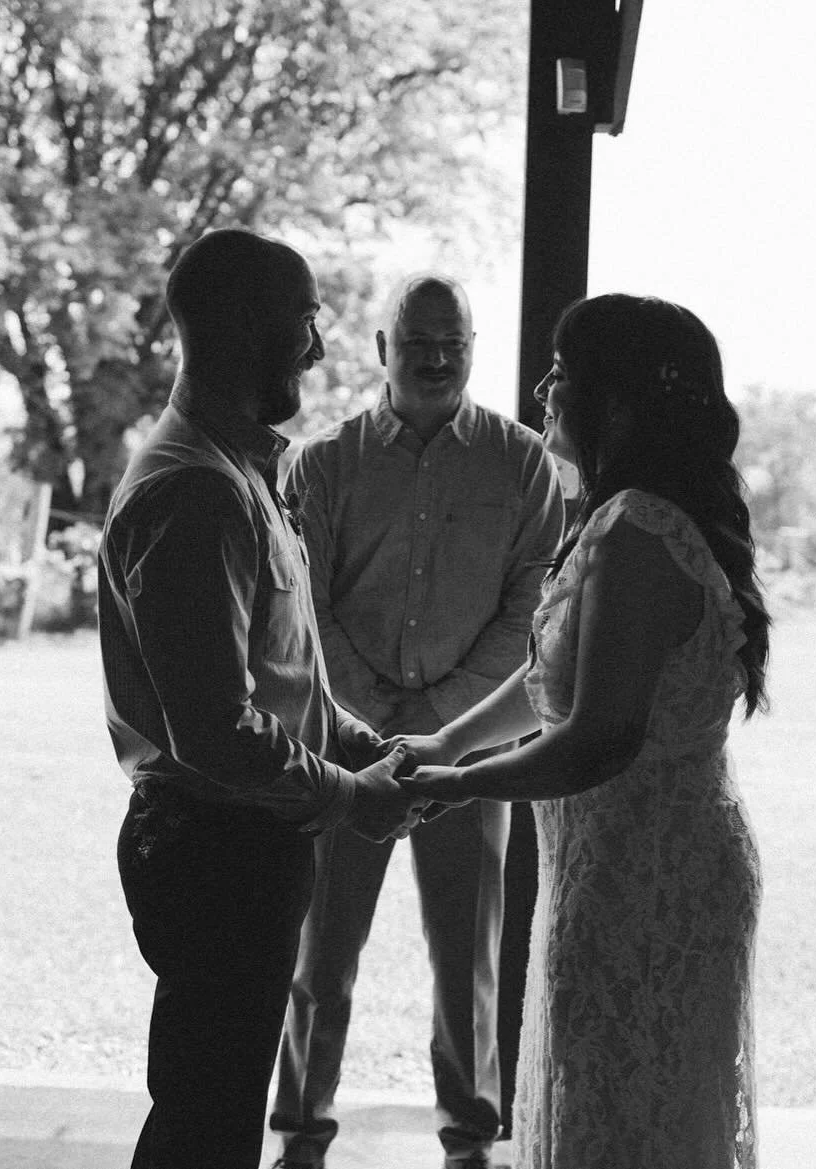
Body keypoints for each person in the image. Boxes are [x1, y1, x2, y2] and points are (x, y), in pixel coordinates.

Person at [394, 294, 772, 1169]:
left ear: (617, 404)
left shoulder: (637, 530)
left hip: (647, 878)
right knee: (614, 1107)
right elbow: (553, 688)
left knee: (624, 1117)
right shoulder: (629, 518)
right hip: (620, 864)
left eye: (561, 375)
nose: (541, 389)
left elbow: (598, 737)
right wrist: (450, 744)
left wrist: (457, 787)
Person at [98, 227, 423, 1169]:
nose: (320, 347)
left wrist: (365, 749)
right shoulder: (195, 491)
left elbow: (283, 683)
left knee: (220, 1112)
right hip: (213, 853)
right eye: (305, 321)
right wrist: (351, 795)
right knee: (205, 1127)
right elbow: (213, 728)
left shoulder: (245, 471)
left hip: (241, 845)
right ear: (246, 326)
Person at [270, 275, 565, 1169]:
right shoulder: (321, 464)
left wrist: (444, 725)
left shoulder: (523, 464)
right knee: (319, 958)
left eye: (455, 342)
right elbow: (303, 607)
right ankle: (301, 1135)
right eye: (419, 340)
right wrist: (369, 724)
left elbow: (533, 609)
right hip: (341, 755)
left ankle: (470, 1139)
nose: (437, 358)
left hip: (471, 757)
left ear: (474, 346)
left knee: (469, 960)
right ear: (381, 347)